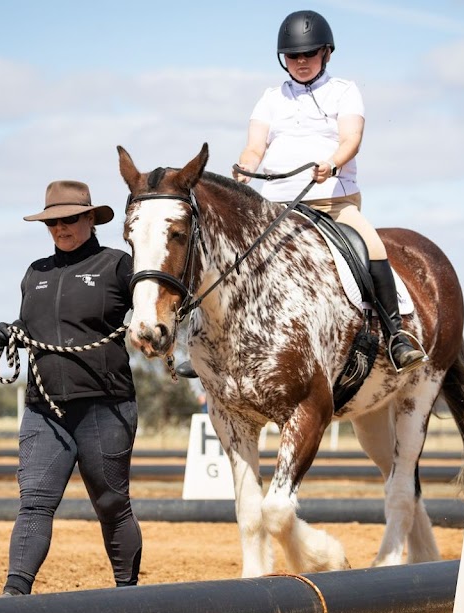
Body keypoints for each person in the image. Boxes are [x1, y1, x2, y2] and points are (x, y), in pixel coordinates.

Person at [176, 9, 425, 379]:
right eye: (294, 56)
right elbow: (255, 146)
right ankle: (204, 342)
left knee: (372, 245)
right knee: (229, 256)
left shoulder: (344, 91)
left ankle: (396, 334)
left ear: (326, 52)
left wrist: (333, 162)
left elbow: (351, 138)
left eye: (309, 54)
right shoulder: (270, 98)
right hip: (276, 205)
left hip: (333, 202)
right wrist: (245, 167)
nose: (301, 61)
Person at [0, 180, 141, 597]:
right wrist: (12, 331)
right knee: (34, 501)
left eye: (69, 219)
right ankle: (14, 596)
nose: (60, 228)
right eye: (52, 222)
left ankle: (128, 595)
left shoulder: (118, 265)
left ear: (90, 217)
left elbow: (155, 315)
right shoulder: (36, 273)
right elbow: (35, 327)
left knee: (111, 505)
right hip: (44, 410)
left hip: (105, 407)